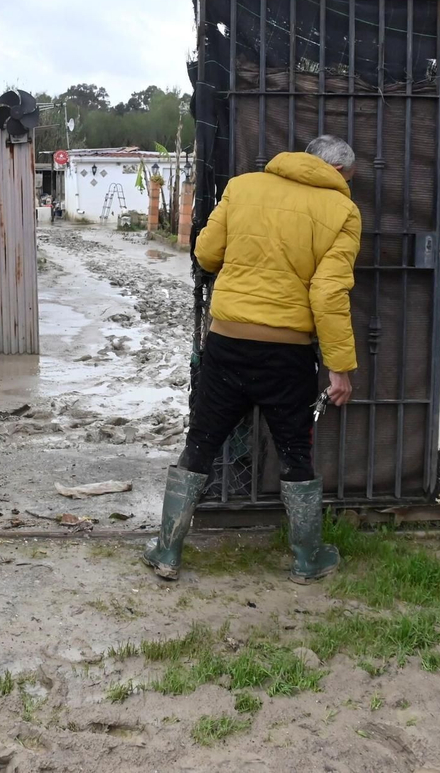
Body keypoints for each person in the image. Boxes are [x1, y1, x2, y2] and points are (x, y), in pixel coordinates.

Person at [143, 134, 360, 584]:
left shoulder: (243, 187)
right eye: (350, 180)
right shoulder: (343, 212)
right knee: (296, 452)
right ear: (338, 173)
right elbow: (328, 292)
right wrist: (339, 367)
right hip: (288, 355)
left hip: (228, 343)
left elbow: (205, 252)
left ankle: (167, 550)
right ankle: (306, 558)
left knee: (201, 442)